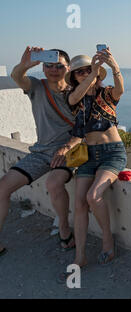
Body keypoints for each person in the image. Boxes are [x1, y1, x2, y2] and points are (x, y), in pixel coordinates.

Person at [51, 48, 126, 268]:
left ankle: (107, 238)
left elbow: (120, 89)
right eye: (79, 72)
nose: (84, 73)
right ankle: (80, 257)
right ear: (73, 77)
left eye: (87, 70)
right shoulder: (73, 98)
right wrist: (94, 72)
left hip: (112, 152)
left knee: (94, 196)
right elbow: (75, 96)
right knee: (80, 203)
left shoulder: (107, 94)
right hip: (88, 156)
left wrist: (114, 67)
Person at [0, 47, 76, 258]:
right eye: (49, 65)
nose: (54, 70)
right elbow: (16, 76)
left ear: (67, 68)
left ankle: (64, 229)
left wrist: (67, 146)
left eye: (59, 65)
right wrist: (25, 64)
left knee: (53, 183)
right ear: (43, 67)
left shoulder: (75, 92)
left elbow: (85, 129)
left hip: (69, 152)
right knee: (3, 187)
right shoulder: (36, 86)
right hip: (41, 152)